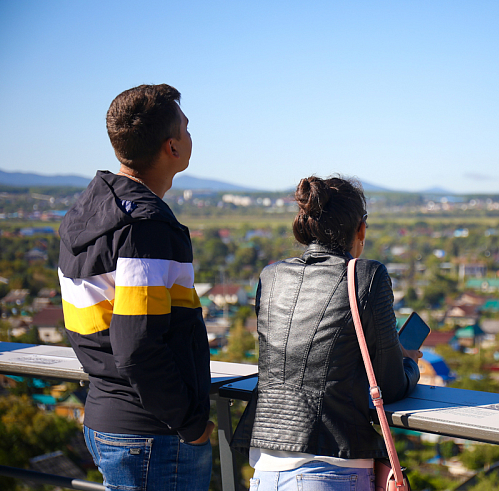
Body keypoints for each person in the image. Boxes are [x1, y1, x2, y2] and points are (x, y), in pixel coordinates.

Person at [58, 84, 214, 491]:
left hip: (109, 418)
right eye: (186, 126)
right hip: (153, 436)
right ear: (172, 148)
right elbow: (138, 346)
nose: (189, 133)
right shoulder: (145, 228)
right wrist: (189, 424)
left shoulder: (89, 211)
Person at [247, 175, 421, 491]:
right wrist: (409, 363)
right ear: (361, 228)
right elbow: (391, 386)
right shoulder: (367, 276)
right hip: (330, 469)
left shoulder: (270, 277)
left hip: (265, 469)